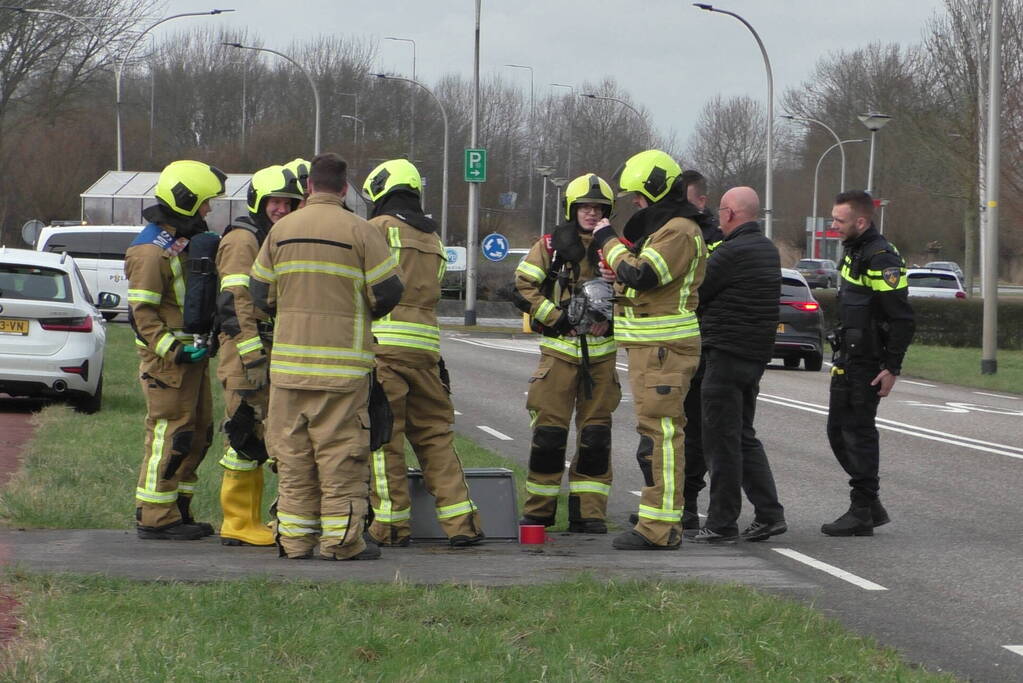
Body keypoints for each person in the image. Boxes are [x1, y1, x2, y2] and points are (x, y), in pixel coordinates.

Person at [250, 153, 404, 560]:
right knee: (341, 461)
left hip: (288, 371)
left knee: (293, 460)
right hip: (343, 371)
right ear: (344, 188)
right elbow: (388, 292)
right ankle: (340, 543)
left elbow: (259, 294)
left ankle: (294, 541)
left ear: (308, 187)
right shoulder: (362, 231)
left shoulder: (280, 231)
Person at [360, 159, 484, 548]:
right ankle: (462, 523)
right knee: (435, 437)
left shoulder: (376, 229)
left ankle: (391, 526)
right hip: (427, 353)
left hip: (384, 350)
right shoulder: (434, 239)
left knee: (385, 439)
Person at [591, 150, 706, 550]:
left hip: (663, 351)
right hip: (652, 350)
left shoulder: (678, 230)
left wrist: (607, 241)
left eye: (638, 196)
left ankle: (661, 528)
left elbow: (643, 274)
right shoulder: (667, 230)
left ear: (655, 190)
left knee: (661, 437)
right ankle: (657, 522)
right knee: (655, 436)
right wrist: (616, 275)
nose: (636, 203)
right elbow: (643, 282)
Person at [512, 173, 622, 534]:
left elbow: (638, 293)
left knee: (595, 439)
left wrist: (611, 320)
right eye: (585, 207)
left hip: (601, 361)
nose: (591, 213)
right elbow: (523, 285)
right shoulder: (550, 246)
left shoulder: (618, 249)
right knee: (549, 436)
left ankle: (589, 514)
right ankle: (539, 512)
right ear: (572, 209)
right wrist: (557, 318)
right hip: (558, 357)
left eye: (599, 208)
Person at [126, 160, 227, 540]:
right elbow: (142, 314)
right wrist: (174, 351)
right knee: (170, 434)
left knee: (198, 434)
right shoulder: (150, 251)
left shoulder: (180, 239)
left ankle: (178, 508)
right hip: (167, 363)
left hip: (191, 358)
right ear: (186, 201)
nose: (208, 209)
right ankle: (155, 516)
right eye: (204, 203)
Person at [690, 187, 787, 544]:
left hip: (725, 354)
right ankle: (769, 514)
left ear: (730, 213)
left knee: (720, 441)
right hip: (753, 356)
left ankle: (721, 522)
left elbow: (696, 291)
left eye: (721, 211)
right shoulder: (766, 249)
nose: (718, 218)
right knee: (743, 436)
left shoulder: (731, 252)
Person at [215, 164, 304, 546]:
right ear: (258, 202)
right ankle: (237, 523)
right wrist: (252, 358)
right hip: (244, 352)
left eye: (288, 202)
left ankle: (248, 521)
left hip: (266, 350)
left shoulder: (272, 238)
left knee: (260, 435)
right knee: (241, 433)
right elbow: (234, 303)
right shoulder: (243, 240)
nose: (281, 208)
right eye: (274, 202)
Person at [822, 190, 914, 536]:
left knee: (858, 433)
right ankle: (870, 504)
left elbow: (901, 318)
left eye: (839, 220)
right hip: (849, 357)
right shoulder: (854, 251)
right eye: (833, 219)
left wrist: (892, 367)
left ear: (861, 221)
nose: (833, 225)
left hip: (869, 362)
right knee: (837, 431)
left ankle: (862, 509)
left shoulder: (881, 258)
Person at [678, 169, 723, 537]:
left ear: (702, 202)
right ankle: (668, 501)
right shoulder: (669, 233)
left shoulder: (715, 242)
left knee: (695, 431)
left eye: (685, 200)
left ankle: (688, 504)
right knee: (665, 428)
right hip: (671, 345)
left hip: (702, 346)